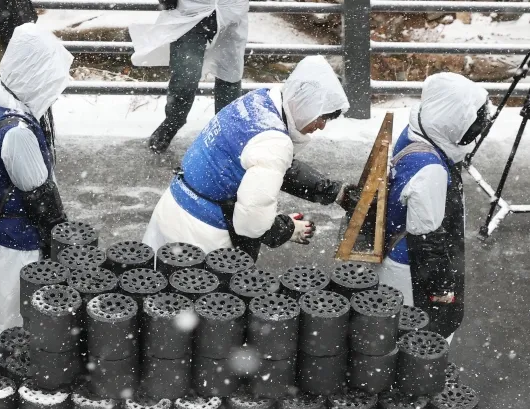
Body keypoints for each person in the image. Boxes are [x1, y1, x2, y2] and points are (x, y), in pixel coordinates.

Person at [143, 55, 356, 259]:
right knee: (198, 296)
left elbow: (269, 162)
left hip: (173, 206)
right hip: (201, 234)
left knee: (153, 287)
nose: (321, 126)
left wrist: (334, 192)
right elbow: (251, 222)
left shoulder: (258, 103)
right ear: (305, 104)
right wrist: (287, 228)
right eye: (322, 117)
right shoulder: (273, 141)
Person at [0, 23, 72, 343]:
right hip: (15, 233)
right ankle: (10, 365)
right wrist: (58, 238)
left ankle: (2, 343)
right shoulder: (18, 132)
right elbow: (39, 194)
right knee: (18, 311)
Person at [379, 72, 490, 342]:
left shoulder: (418, 134)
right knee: (422, 338)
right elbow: (426, 239)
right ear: (452, 121)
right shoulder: (430, 170)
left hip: (398, 255)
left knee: (398, 332)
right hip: (410, 271)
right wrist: (442, 287)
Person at [129, 0, 248, 153]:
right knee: (185, 77)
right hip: (190, 11)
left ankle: (224, 136)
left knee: (229, 77)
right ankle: (173, 122)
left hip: (231, 12)